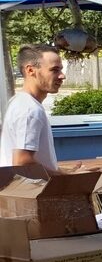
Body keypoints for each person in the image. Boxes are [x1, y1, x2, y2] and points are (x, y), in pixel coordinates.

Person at [1, 44, 66, 173]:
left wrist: (66, 172)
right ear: (30, 70)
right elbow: (22, 162)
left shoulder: (20, 102)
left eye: (60, 70)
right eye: (54, 70)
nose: (62, 76)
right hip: (25, 186)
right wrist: (63, 177)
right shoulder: (30, 110)